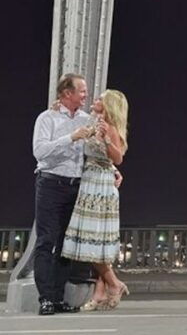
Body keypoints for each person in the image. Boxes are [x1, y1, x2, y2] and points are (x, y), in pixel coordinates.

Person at [61, 90, 130, 311]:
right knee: (93, 241)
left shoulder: (108, 127)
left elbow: (117, 156)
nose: (95, 100)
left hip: (100, 187)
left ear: (109, 105)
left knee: (94, 242)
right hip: (89, 183)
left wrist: (107, 139)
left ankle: (113, 284)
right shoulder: (92, 121)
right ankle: (103, 291)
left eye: (100, 99)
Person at [32, 74, 93, 315]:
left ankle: (58, 298)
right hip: (50, 184)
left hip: (75, 186)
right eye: (82, 90)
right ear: (67, 93)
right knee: (46, 241)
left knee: (67, 245)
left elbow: (96, 152)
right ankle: (45, 298)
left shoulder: (87, 120)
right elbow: (39, 152)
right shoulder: (47, 118)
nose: (85, 95)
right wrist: (71, 137)